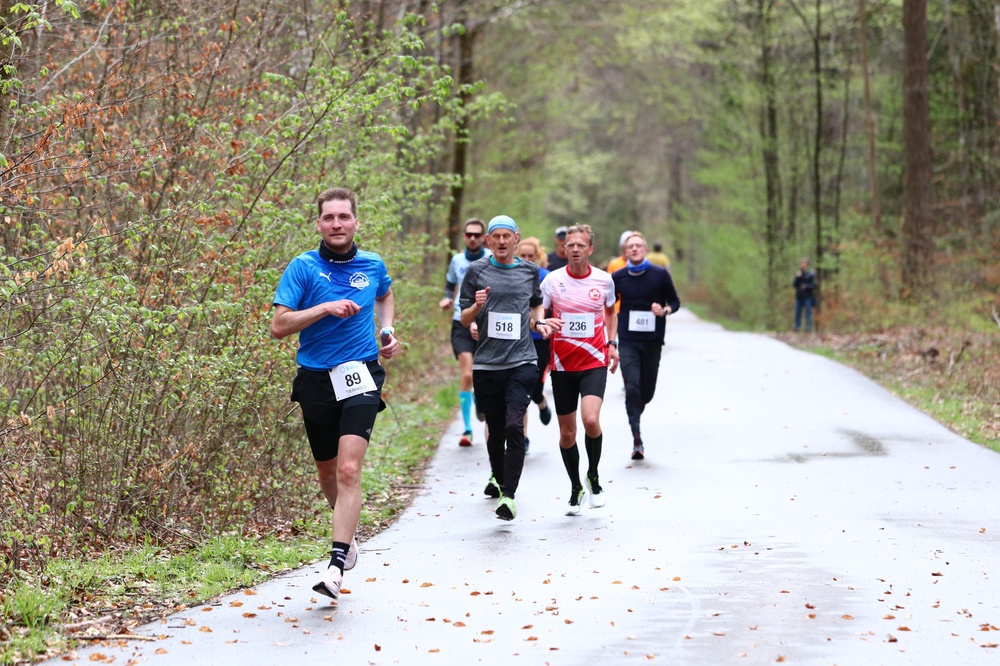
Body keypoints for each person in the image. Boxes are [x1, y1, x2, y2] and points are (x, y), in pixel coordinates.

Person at [271, 186, 400, 600]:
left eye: (344, 217)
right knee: (327, 473)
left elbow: (385, 294)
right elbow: (279, 325)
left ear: (356, 222)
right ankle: (348, 534)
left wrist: (387, 330)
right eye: (329, 218)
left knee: (347, 470)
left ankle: (335, 565)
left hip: (361, 373)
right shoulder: (303, 267)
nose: (337, 224)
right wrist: (325, 308)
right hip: (315, 379)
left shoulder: (372, 263)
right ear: (319, 224)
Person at [460, 215, 555, 521]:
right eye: (496, 236)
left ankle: (509, 495)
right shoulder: (476, 271)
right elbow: (463, 318)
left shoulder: (529, 271)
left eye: (507, 236)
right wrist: (476, 307)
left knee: (515, 425)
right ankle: (500, 482)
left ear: (516, 238)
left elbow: (535, 304)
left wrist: (539, 322)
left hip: (522, 360)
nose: (501, 241)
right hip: (487, 364)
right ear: (488, 240)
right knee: (496, 429)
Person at [540, 224, 619, 514]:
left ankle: (593, 477)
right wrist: (543, 323)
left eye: (580, 245)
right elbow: (539, 313)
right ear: (564, 248)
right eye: (570, 245)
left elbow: (610, 312)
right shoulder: (552, 280)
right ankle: (576, 487)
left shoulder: (604, 280)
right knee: (567, 434)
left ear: (590, 249)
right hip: (562, 364)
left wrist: (612, 343)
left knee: (591, 420)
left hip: (594, 361)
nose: (574, 249)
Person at [612, 231, 680, 461]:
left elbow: (675, 301)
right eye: (630, 246)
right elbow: (607, 306)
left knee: (647, 393)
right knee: (632, 388)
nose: (634, 249)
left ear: (645, 249)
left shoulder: (659, 274)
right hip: (628, 340)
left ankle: (636, 410)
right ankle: (637, 438)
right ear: (625, 251)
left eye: (638, 245)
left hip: (652, 341)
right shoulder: (618, 277)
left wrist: (665, 310)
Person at [439, 218, 491, 446]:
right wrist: (447, 299)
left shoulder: (491, 259)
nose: (472, 238)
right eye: (469, 234)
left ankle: (479, 398)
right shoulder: (457, 260)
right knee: (467, 374)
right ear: (464, 236)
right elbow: (450, 285)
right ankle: (468, 429)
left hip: (486, 322)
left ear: (483, 238)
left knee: (481, 375)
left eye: (477, 235)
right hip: (461, 321)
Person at [516, 237, 553, 454]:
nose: (527, 259)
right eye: (523, 255)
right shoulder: (510, 274)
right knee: (521, 388)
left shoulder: (546, 277)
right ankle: (523, 437)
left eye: (531, 256)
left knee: (535, 387)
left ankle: (541, 401)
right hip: (518, 338)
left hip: (540, 340)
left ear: (538, 257)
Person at [793, 257, 817, 333]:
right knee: (797, 312)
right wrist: (797, 277)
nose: (802, 264)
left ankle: (808, 328)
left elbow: (815, 285)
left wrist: (806, 286)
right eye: (801, 263)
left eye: (804, 263)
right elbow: (794, 284)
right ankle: (796, 327)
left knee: (808, 313)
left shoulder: (811, 273)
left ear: (807, 264)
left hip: (808, 297)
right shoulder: (799, 273)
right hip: (799, 297)